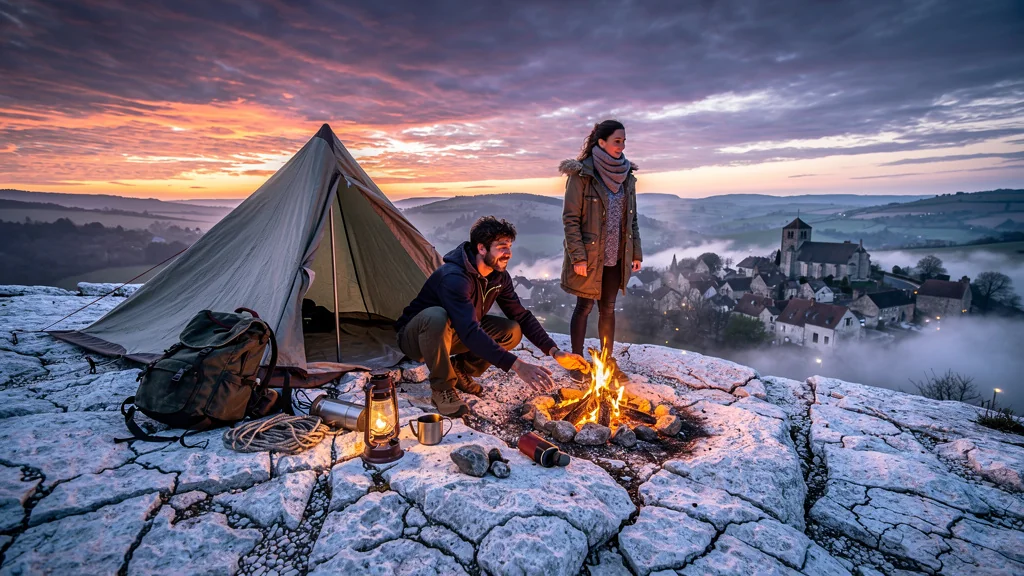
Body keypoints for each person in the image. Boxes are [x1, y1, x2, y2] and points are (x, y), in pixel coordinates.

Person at [395, 216, 590, 417]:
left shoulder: (499, 277)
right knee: (436, 315)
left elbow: (521, 315)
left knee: (511, 330)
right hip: (418, 339)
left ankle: (461, 369)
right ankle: (442, 388)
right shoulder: (454, 277)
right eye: (502, 247)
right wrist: (517, 365)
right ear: (481, 248)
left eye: (509, 247)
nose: (508, 254)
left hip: (453, 333)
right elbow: (470, 331)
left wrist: (554, 352)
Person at [559, 120, 642, 383]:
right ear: (601, 142)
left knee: (608, 308)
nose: (622, 146)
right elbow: (570, 219)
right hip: (589, 257)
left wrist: (635, 253)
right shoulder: (582, 174)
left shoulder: (627, 176)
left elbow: (633, 220)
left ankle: (606, 363)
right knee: (583, 307)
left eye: (624, 141)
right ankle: (577, 362)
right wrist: (578, 257)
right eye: (618, 141)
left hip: (616, 256)